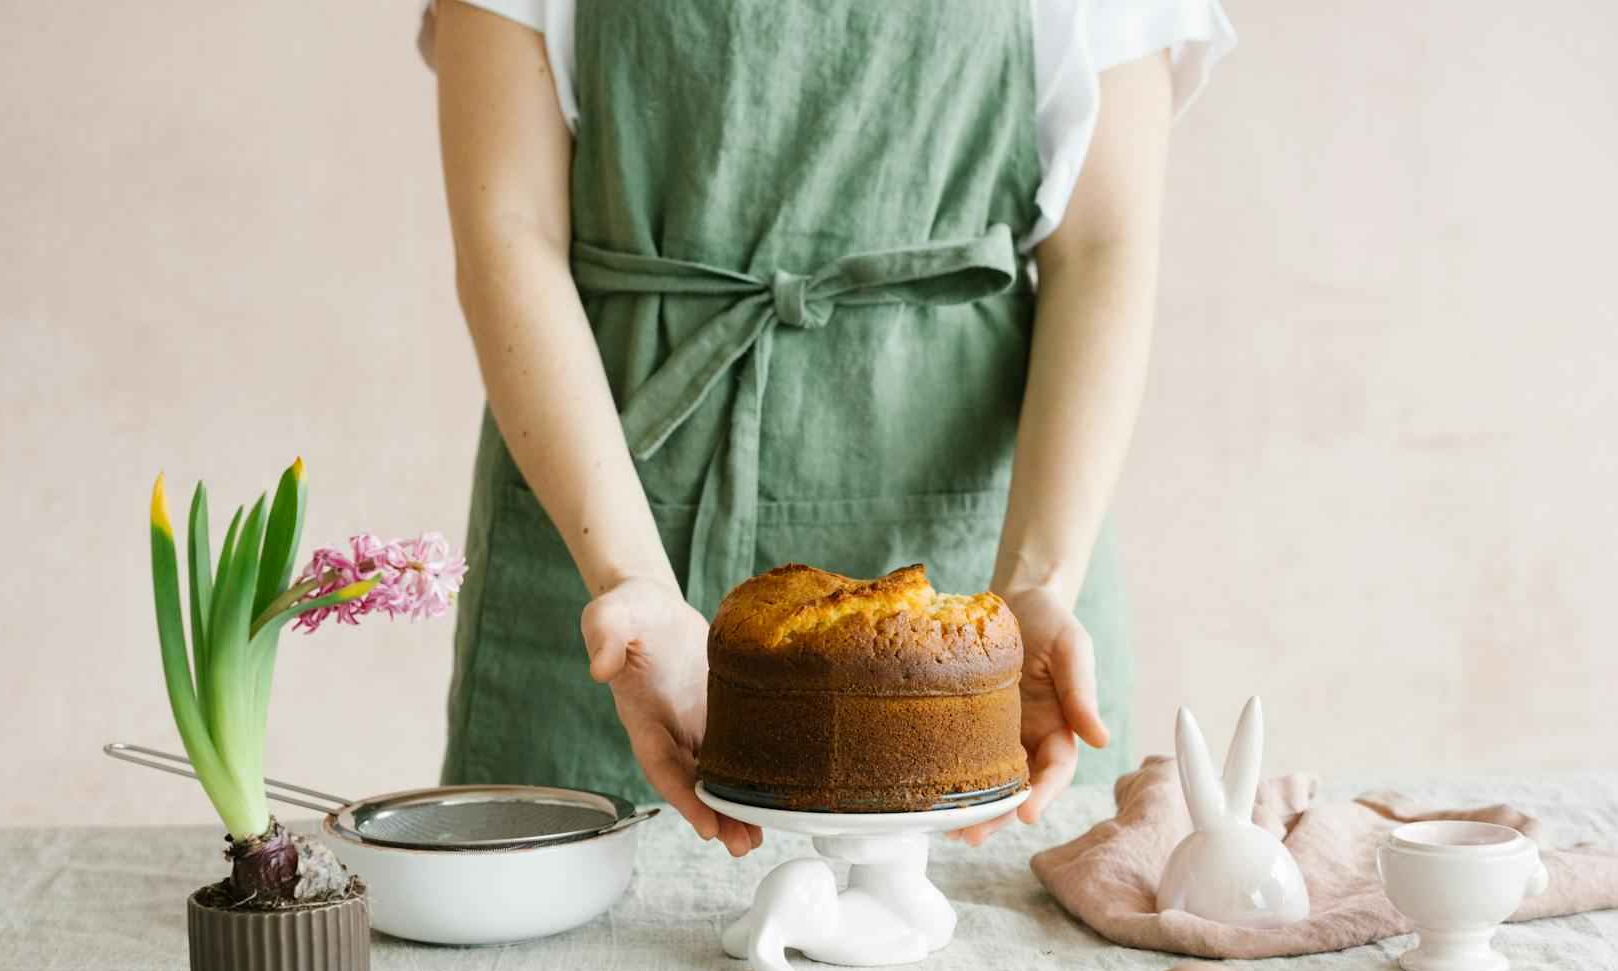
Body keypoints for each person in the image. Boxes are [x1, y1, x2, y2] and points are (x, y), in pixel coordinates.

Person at [425, 0, 1235, 856]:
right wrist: (631, 575)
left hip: (995, 552)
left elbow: (1103, 247)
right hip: (607, 541)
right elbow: (509, 232)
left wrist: (1038, 586)